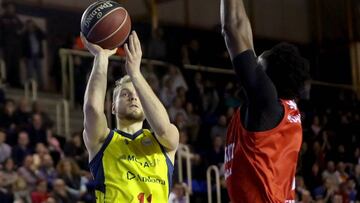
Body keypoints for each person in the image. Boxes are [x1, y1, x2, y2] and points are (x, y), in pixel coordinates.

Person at [220, 0, 310, 202]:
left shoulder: (266, 105)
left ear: (267, 80)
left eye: (257, 63)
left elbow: (231, 28)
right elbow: (241, 33)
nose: (253, 63)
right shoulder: (278, 109)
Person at [81, 31, 179, 202]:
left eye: (137, 95)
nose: (134, 97)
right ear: (112, 107)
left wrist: (135, 74)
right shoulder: (102, 139)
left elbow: (163, 128)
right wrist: (101, 58)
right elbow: (92, 109)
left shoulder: (165, 142)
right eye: (125, 94)